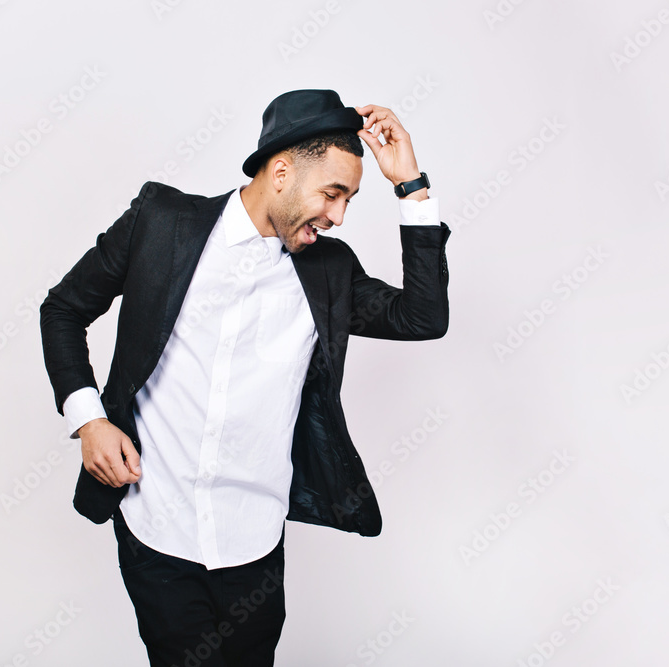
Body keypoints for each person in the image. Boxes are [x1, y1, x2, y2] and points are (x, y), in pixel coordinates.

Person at [39, 88, 450, 666]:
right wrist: (89, 421)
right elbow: (62, 309)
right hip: (157, 528)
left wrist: (411, 185)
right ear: (281, 172)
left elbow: (423, 318)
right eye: (333, 194)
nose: (337, 216)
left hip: (255, 543)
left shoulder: (329, 272)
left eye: (350, 201)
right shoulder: (162, 224)